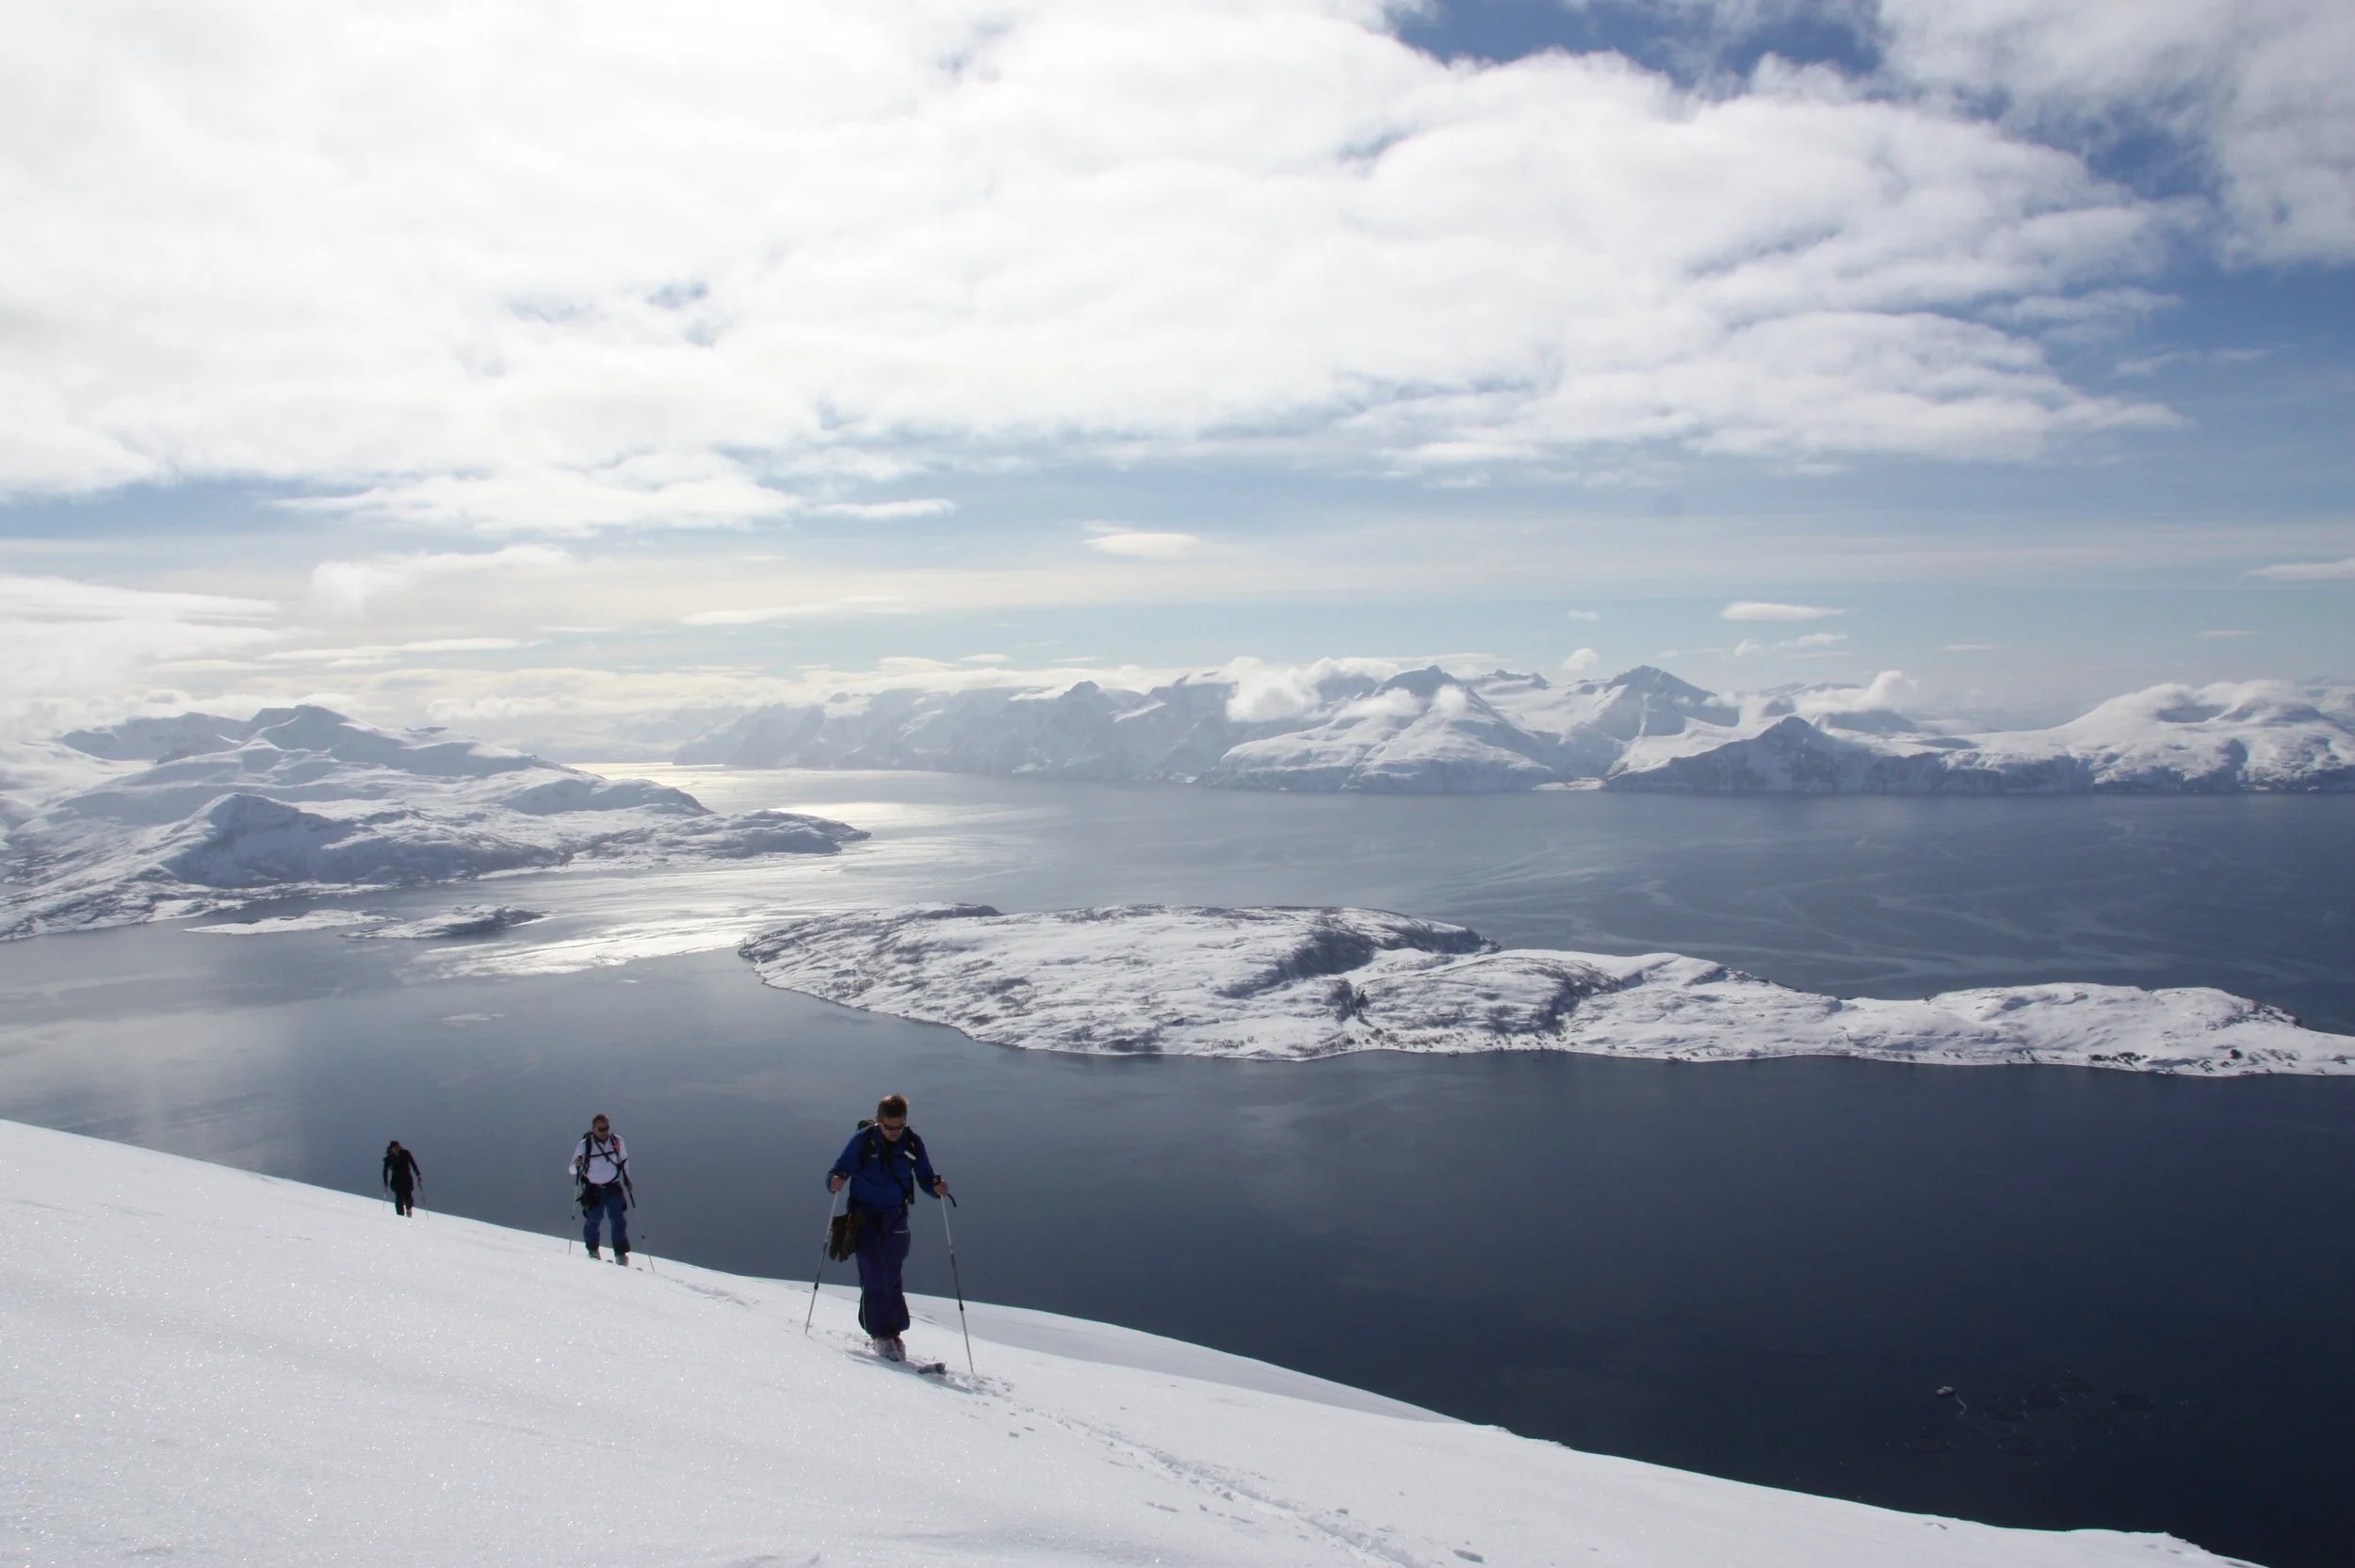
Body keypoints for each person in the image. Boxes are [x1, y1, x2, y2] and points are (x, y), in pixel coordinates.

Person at [825, 1093, 950, 1361]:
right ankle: (880, 1334)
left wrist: (936, 1188)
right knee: (873, 1273)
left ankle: (894, 1332)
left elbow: (926, 1177)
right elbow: (838, 1170)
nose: (895, 1132)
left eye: (900, 1126)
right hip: (863, 1218)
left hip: (896, 1217)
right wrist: (834, 1181)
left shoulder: (913, 1143)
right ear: (879, 1121)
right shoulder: (863, 1141)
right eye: (889, 1127)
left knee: (891, 1276)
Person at [570, 1113, 633, 1265]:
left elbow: (624, 1161)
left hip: (613, 1186)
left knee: (618, 1221)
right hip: (594, 1189)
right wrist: (577, 1164)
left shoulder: (617, 1141)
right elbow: (572, 1169)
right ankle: (593, 1251)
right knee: (593, 1220)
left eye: (606, 1128)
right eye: (600, 1129)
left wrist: (627, 1180)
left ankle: (621, 1255)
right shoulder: (585, 1145)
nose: (604, 1132)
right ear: (593, 1129)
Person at [382, 1140, 422, 1217]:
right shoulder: (389, 1158)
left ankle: (409, 1211)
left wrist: (418, 1175)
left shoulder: (406, 1153)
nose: (396, 1149)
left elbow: (413, 1163)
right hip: (396, 1181)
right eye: (394, 1148)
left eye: (397, 1147)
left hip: (407, 1179)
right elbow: (385, 1170)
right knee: (399, 1199)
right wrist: (385, 1181)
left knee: (408, 1197)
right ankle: (400, 1217)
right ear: (391, 1148)